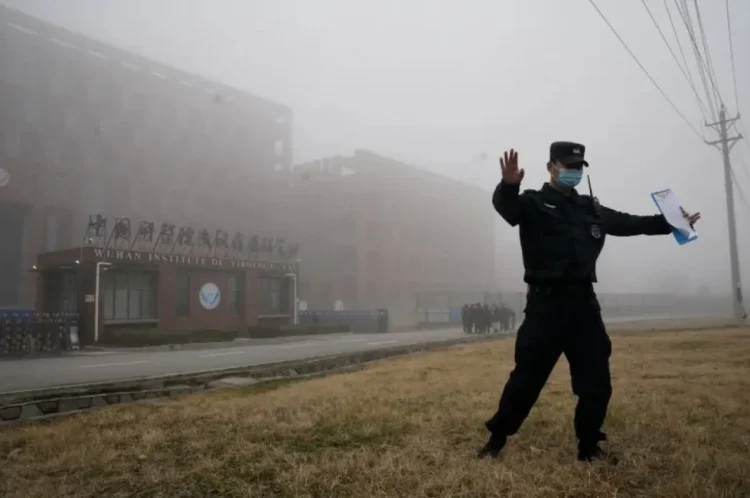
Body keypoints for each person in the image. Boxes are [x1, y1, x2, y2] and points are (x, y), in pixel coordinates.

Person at [478, 143, 700, 463]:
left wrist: (674, 223)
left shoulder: (590, 209)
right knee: (526, 380)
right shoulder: (533, 203)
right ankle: (496, 439)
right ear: (551, 167)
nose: (575, 171)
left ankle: (589, 446)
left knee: (596, 382)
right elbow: (506, 208)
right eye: (568, 165)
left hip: (583, 306)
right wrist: (509, 185)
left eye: (579, 166)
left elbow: (631, 223)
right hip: (545, 308)